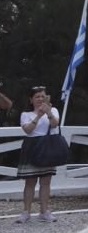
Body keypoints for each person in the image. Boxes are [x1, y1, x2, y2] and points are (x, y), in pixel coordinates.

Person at [16, 86, 60, 223]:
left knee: (46, 182)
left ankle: (44, 211)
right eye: (37, 97)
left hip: (47, 145)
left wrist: (48, 113)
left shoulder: (53, 110)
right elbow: (28, 130)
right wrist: (39, 115)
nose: (40, 99)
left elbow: (55, 125)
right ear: (31, 100)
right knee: (30, 182)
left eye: (42, 96)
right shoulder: (25, 114)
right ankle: (26, 212)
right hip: (32, 146)